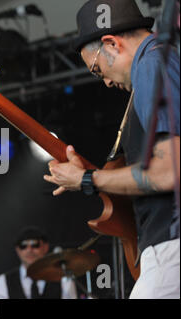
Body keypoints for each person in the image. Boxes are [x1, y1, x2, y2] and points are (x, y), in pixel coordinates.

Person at [44, 0, 180, 299]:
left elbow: (170, 171)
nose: (105, 81)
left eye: (96, 69)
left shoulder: (150, 64)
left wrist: (87, 180)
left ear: (111, 44)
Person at [0, 226, 78, 299]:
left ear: (45, 247)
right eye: (23, 246)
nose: (29, 250)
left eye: (35, 245)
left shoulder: (63, 279)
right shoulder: (4, 281)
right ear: (17, 250)